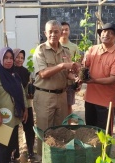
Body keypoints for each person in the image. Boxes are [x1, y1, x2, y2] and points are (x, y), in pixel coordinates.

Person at [33, 20, 80, 155]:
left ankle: (57, 155)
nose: (53, 34)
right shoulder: (40, 50)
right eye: (50, 32)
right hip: (44, 96)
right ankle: (45, 159)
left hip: (62, 95)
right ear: (45, 33)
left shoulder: (65, 51)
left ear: (61, 33)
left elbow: (68, 74)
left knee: (60, 128)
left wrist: (75, 77)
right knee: (45, 129)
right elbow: (42, 74)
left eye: (56, 31)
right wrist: (63, 66)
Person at [81, 23, 115, 135]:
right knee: (90, 129)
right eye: (104, 32)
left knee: (104, 132)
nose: (106, 34)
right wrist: (82, 63)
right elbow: (85, 67)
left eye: (111, 32)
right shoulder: (92, 49)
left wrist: (94, 80)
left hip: (106, 101)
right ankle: (92, 151)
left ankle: (104, 153)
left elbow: (113, 79)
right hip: (90, 98)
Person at [13, 48, 35, 161]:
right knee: (14, 129)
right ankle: (15, 153)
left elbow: (27, 90)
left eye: (22, 58)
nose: (20, 60)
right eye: (17, 57)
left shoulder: (26, 72)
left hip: (27, 104)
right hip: (13, 105)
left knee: (29, 128)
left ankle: (30, 151)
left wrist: (31, 93)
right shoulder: (9, 72)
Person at [60, 22, 80, 121]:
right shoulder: (55, 45)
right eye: (62, 29)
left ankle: (68, 125)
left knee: (68, 105)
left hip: (70, 81)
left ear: (69, 31)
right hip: (58, 80)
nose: (64, 32)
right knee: (59, 105)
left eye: (66, 29)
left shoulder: (74, 47)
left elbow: (78, 64)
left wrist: (78, 81)